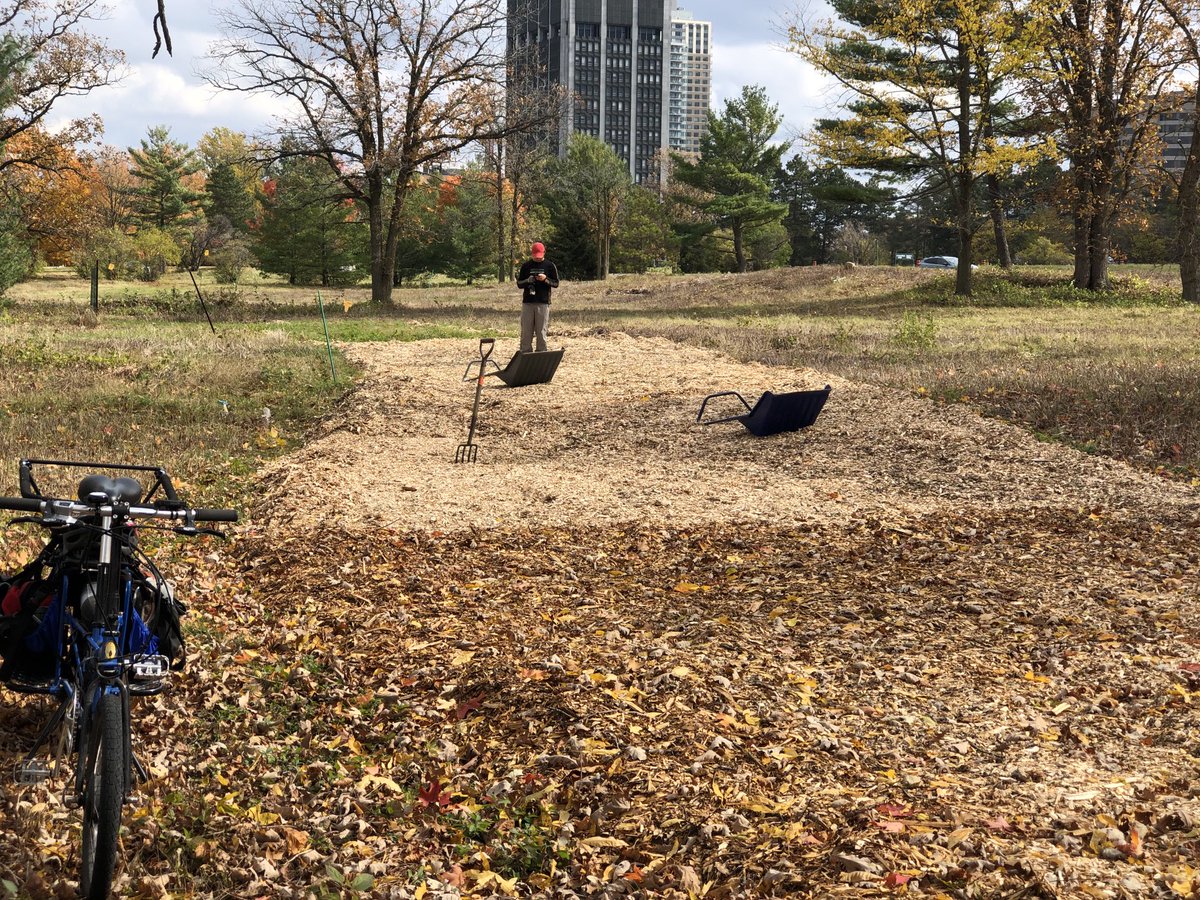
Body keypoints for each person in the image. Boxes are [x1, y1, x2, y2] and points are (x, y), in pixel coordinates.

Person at [515, 241, 560, 352]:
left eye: (540, 257)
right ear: (532, 254)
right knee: (526, 332)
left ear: (544, 253)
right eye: (536, 257)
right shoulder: (526, 266)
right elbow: (519, 284)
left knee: (541, 332)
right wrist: (528, 280)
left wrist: (545, 279)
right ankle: (525, 355)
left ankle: (541, 354)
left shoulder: (550, 266)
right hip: (528, 303)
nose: (538, 259)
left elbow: (556, 283)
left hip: (543, 303)